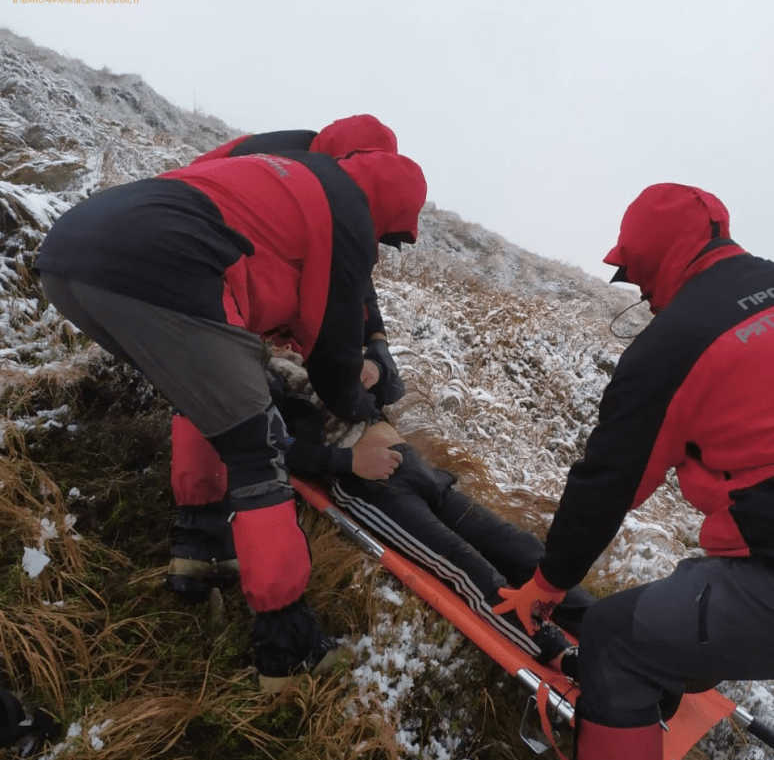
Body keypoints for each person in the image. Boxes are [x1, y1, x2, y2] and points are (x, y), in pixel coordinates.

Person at [34, 143, 427, 691]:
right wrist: (361, 408)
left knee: (206, 397)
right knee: (257, 449)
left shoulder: (287, 169)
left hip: (71, 255)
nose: (380, 249)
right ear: (386, 208)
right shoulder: (347, 214)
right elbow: (330, 355)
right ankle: (288, 651)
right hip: (166, 268)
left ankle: (201, 553)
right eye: (388, 236)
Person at [503, 183, 774, 760]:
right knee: (695, 580)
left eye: (636, 274)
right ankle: (666, 680)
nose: (641, 293)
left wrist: (548, 583)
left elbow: (607, 482)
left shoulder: (675, 343)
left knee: (617, 639)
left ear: (656, 259)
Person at [167, 116, 407, 597]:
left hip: (170, 243)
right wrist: (354, 420)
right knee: (238, 415)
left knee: (201, 387)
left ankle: (197, 545)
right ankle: (269, 607)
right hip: (205, 258)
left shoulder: (301, 160)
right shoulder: (313, 180)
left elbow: (350, 272)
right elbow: (333, 281)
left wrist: (375, 339)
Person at [266, 352, 593, 669]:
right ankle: (562, 655)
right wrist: (349, 462)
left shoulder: (319, 343)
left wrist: (375, 368)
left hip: (417, 469)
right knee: (465, 565)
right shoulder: (256, 378)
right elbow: (274, 451)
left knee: (521, 548)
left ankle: (602, 628)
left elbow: (389, 384)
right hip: (371, 486)